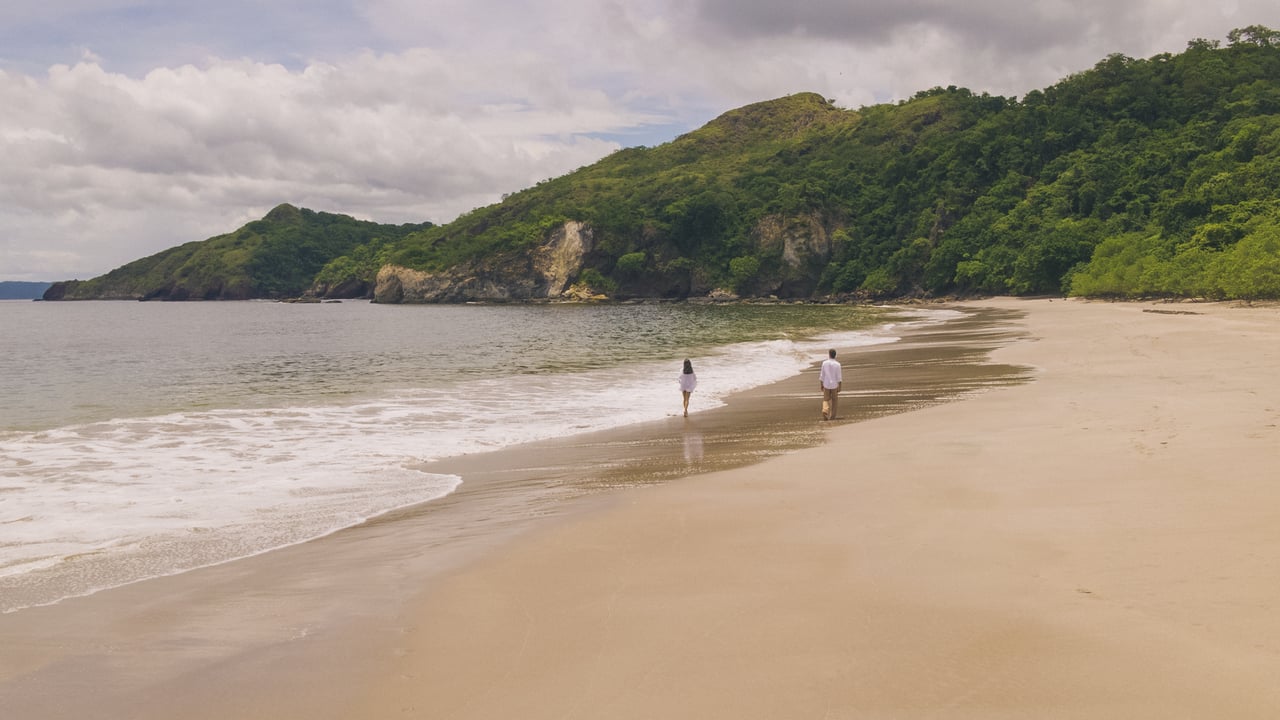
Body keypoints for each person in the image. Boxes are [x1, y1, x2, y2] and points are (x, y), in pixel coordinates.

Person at [819, 348, 842, 420]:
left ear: (829, 355)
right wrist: (840, 386)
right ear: (835, 355)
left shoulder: (824, 363)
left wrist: (821, 384)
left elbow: (822, 375)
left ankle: (825, 411)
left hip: (826, 384)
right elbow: (839, 376)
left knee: (826, 399)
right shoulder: (838, 364)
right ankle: (833, 416)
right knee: (834, 401)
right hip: (834, 385)